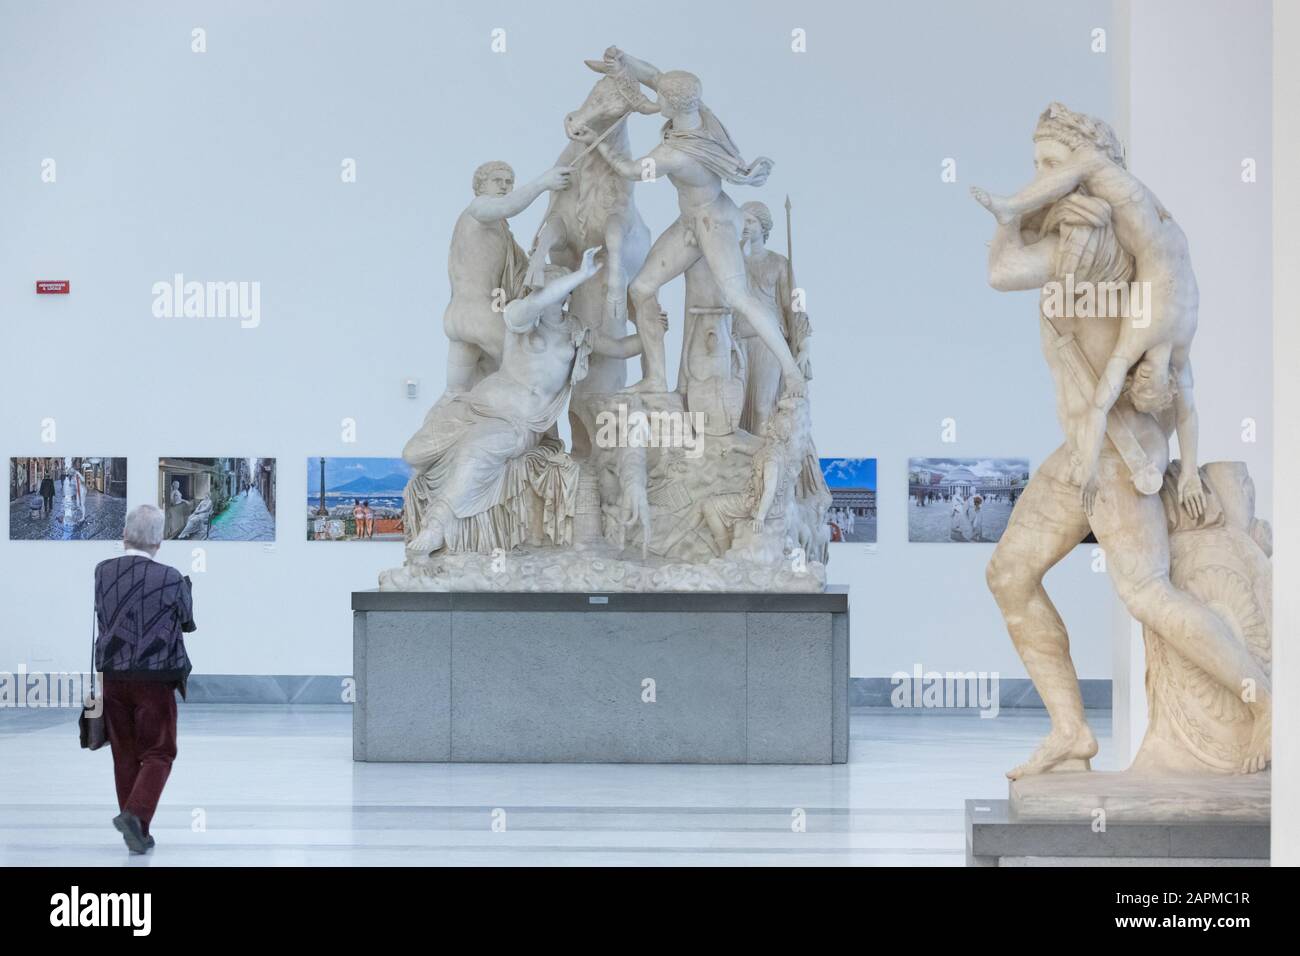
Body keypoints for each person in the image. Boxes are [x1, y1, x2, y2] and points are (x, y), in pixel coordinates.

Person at [972, 103, 1203, 518]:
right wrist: (1188, 473)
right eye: (1037, 165)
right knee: (1008, 578)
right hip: (1108, 441)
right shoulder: (1174, 345)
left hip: (1114, 446)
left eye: (1052, 165)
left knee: (1139, 586)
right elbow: (1186, 408)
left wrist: (1016, 213)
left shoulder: (1086, 234)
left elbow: (1001, 271)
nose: (1041, 178)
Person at [572, 48, 805, 398]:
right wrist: (624, 61)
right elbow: (653, 76)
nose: (655, 97)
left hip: (715, 221)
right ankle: (656, 380)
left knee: (737, 296)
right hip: (689, 221)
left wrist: (595, 141)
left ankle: (791, 372)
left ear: (670, 104)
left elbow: (630, 170)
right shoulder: (701, 114)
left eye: (660, 97)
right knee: (642, 288)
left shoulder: (674, 154)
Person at [95, 504, 196, 853]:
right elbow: (187, 620)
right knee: (159, 751)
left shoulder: (102, 572)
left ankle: (136, 829)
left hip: (112, 677)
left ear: (125, 535)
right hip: (153, 679)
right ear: (159, 540)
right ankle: (136, 817)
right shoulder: (170, 577)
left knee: (124, 755)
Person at [443, 159, 574, 395]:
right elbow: (506, 207)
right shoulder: (479, 208)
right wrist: (544, 182)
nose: (504, 186)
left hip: (457, 317)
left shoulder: (499, 228)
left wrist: (541, 264)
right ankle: (545, 433)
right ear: (480, 185)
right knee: (530, 374)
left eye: (509, 182)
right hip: (480, 315)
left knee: (456, 395)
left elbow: (520, 273)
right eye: (497, 181)